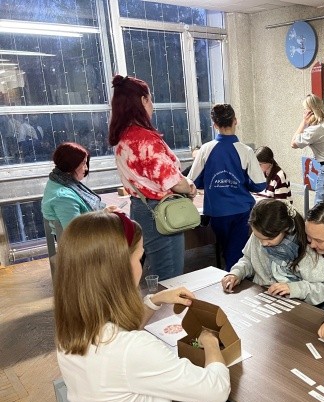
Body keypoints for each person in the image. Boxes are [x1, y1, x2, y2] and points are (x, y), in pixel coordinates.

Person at [54, 211, 281, 402]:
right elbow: (217, 390)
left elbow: (122, 335)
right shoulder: (134, 349)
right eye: (140, 258)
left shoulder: (71, 331)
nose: (142, 267)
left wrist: (156, 300)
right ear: (120, 269)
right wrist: (211, 342)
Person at [110, 75, 196, 281]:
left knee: (155, 271)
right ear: (143, 100)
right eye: (150, 99)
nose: (153, 105)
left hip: (140, 208)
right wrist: (190, 187)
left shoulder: (123, 137)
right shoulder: (145, 139)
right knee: (170, 276)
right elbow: (173, 181)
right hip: (160, 211)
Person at [188, 104, 266, 271]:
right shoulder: (246, 151)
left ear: (215, 125)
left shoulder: (205, 149)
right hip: (241, 211)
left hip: (217, 212)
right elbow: (259, 185)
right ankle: (233, 278)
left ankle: (230, 277)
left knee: (226, 250)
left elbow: (193, 181)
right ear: (235, 121)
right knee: (236, 253)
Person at [221, 199, 324, 306]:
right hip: (262, 296)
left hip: (293, 304)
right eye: (258, 237)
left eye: (269, 239)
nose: (263, 243)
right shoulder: (261, 233)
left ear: (285, 229)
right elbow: (248, 260)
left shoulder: (305, 248)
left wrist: (293, 288)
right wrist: (236, 273)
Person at [41, 142, 106, 233]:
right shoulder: (63, 198)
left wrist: (106, 212)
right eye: (83, 163)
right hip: (83, 238)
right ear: (71, 165)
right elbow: (76, 234)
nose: (86, 168)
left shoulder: (57, 179)